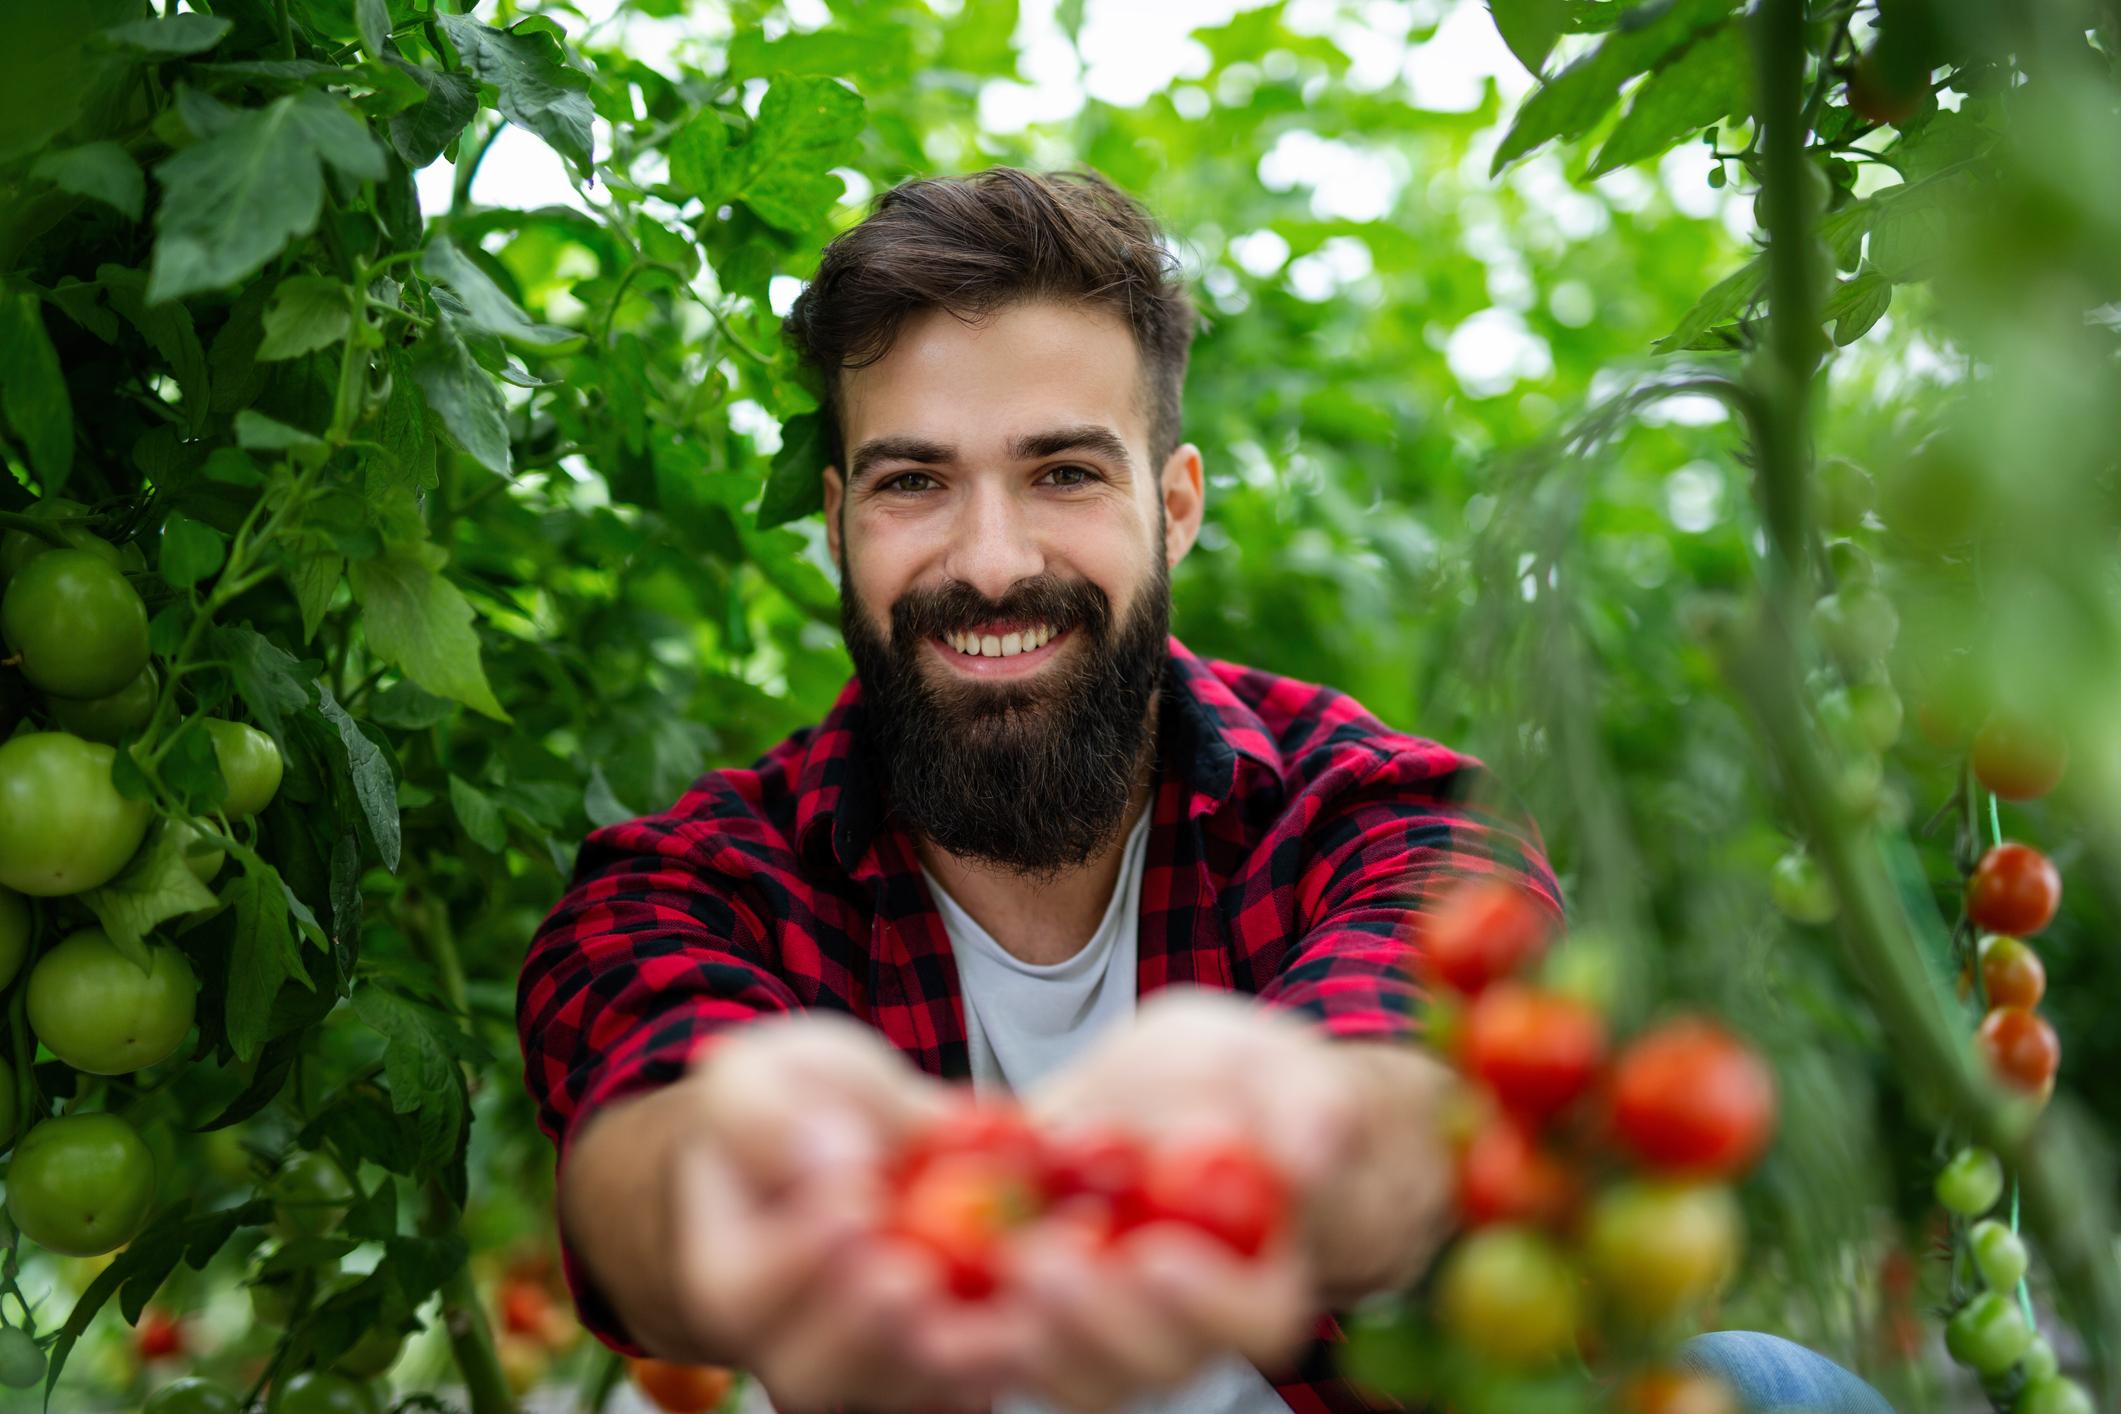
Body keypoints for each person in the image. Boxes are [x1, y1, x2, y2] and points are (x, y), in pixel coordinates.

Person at [516, 167, 1893, 1414]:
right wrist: (737, 1190)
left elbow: (1410, 1072)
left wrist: (1296, 1137)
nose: (989, 560)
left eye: (1061, 471)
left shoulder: (1380, 811)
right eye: (912, 482)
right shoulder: (697, 882)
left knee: (1763, 1385)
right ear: (836, 522)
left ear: (1171, 506)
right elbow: (645, 1138)